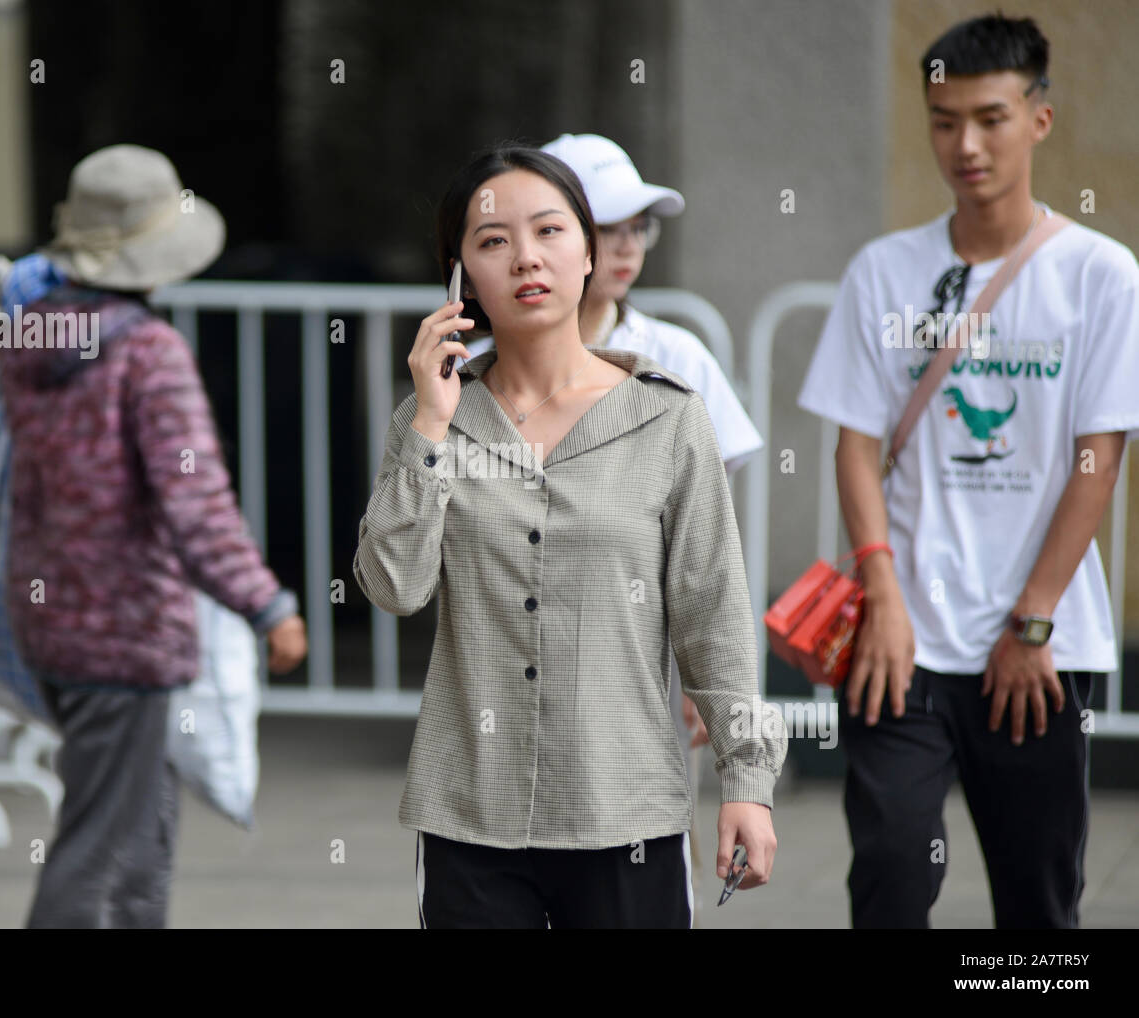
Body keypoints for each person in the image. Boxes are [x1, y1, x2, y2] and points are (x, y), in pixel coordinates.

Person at [353, 144, 786, 928]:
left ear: (589, 252)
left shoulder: (667, 415)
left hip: (625, 816)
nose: (526, 257)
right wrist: (428, 424)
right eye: (492, 241)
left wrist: (746, 783)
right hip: (469, 818)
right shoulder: (434, 419)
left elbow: (712, 610)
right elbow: (393, 587)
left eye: (550, 231)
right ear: (460, 280)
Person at [797, 15, 1139, 928]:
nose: (965, 144)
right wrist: (884, 593)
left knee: (1037, 899)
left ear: (1040, 120)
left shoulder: (1100, 276)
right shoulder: (885, 271)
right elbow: (856, 443)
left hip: (1039, 644)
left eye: (989, 117)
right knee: (893, 871)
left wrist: (1034, 621)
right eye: (944, 120)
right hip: (900, 643)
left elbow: (1097, 460)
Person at [0, 144, 308, 927]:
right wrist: (267, 604)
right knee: (100, 846)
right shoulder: (149, 352)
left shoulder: (25, 338)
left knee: (140, 829)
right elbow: (194, 503)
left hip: (50, 622)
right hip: (124, 632)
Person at [460, 134, 762, 907]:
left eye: (640, 227)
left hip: (630, 739)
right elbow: (394, 581)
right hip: (482, 798)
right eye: (610, 222)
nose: (626, 244)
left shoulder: (672, 370)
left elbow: (708, 568)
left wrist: (735, 741)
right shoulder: (450, 405)